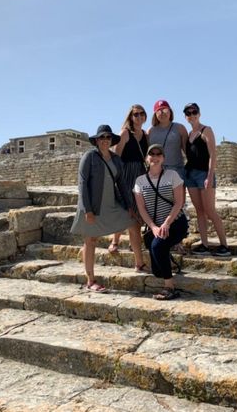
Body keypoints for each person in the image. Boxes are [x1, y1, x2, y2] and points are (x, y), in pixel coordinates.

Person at [70, 124, 134, 293]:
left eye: (108, 137)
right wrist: (87, 210)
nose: (105, 140)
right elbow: (82, 184)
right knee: (90, 241)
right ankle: (90, 280)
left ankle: (139, 264)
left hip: (110, 204)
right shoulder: (89, 157)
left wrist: (128, 205)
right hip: (93, 206)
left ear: (112, 140)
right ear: (97, 140)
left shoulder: (116, 159)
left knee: (132, 221)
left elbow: (121, 183)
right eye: (102, 137)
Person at [134, 144, 188, 300]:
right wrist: (153, 227)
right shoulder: (140, 181)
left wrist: (166, 224)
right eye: (152, 154)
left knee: (158, 246)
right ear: (147, 158)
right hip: (156, 226)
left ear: (163, 158)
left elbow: (179, 202)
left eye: (159, 154)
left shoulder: (172, 175)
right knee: (156, 264)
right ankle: (165, 265)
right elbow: (141, 208)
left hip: (176, 223)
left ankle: (169, 287)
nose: (155, 157)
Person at [183, 103, 231, 256]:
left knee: (210, 210)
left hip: (204, 174)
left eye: (194, 111)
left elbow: (212, 155)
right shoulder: (189, 135)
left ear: (199, 113)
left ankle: (224, 245)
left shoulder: (206, 130)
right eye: (188, 113)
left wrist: (210, 176)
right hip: (190, 175)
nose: (192, 115)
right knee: (199, 211)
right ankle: (204, 244)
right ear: (186, 116)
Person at [108, 104, 148, 272]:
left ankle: (121, 244)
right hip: (126, 176)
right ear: (131, 117)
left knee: (134, 214)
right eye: (135, 114)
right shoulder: (125, 133)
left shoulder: (145, 135)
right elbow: (116, 156)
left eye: (141, 114)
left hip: (140, 176)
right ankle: (135, 259)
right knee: (129, 212)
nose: (138, 117)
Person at [147, 100, 188, 180]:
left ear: (170, 112)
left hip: (176, 169)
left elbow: (187, 151)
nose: (162, 113)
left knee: (178, 193)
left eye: (165, 110)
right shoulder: (150, 131)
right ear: (155, 114)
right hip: (156, 170)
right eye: (159, 111)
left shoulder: (180, 128)